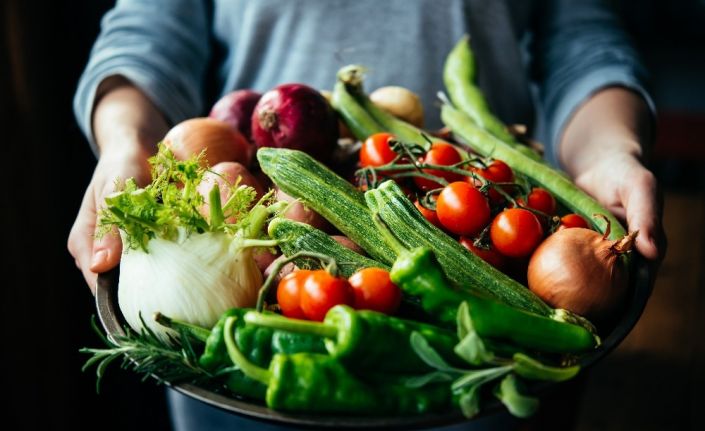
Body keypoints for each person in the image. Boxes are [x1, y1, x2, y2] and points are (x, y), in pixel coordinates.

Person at [68, 0, 666, 429]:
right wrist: (125, 144)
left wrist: (613, 150)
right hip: (244, 312)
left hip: (492, 312)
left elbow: (582, 39)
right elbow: (148, 33)